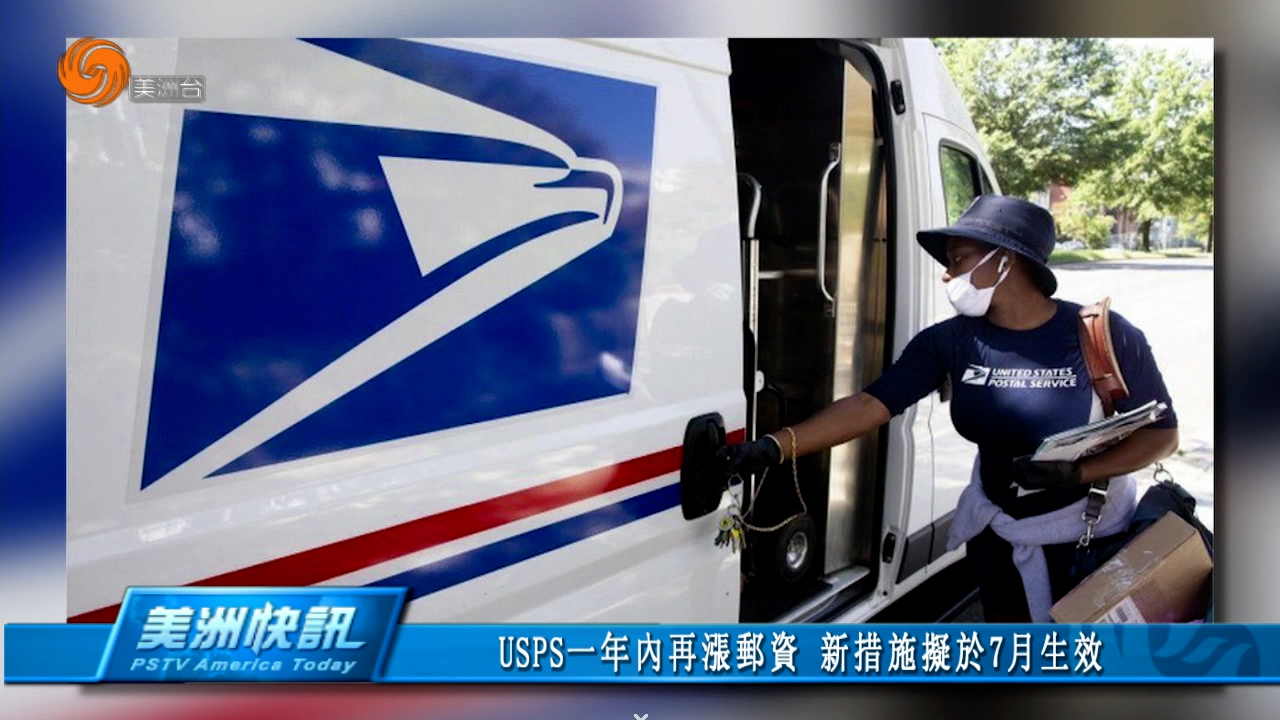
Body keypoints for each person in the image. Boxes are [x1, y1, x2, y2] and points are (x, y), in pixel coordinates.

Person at [721, 194, 1179, 622]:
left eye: (957, 259)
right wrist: (772, 448)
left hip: (1087, 542)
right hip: (997, 536)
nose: (946, 275)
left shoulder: (1101, 335)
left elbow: (1162, 437)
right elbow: (871, 403)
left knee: (1083, 665)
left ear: (1006, 260)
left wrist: (1078, 473)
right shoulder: (951, 341)